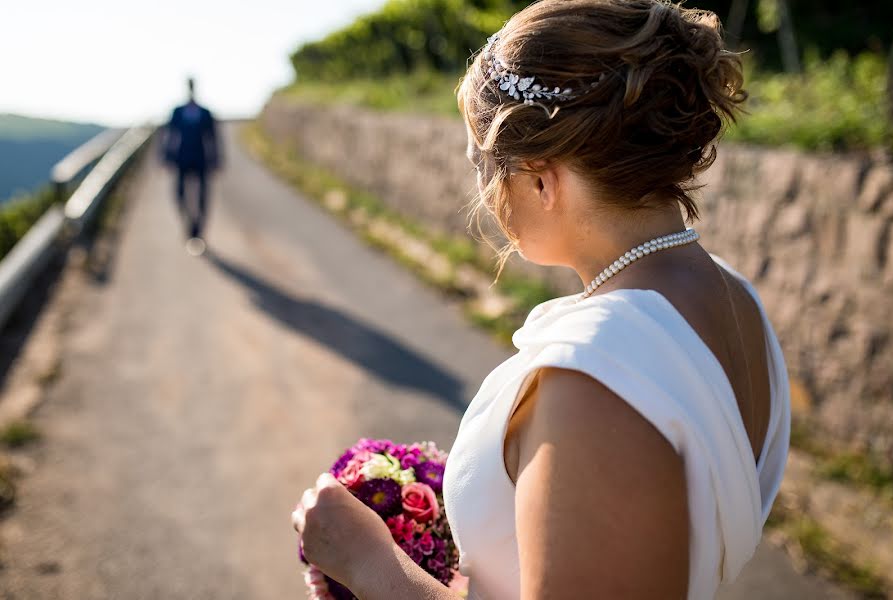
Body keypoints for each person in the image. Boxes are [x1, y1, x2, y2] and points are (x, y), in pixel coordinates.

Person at [292, 1, 791, 598]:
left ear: (539, 179)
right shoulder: (736, 299)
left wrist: (370, 561)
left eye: (483, 161)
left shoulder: (597, 374)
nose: (483, 187)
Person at [162, 77, 221, 255]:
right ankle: (189, 226)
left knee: (203, 197)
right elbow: (170, 135)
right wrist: (166, 156)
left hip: (201, 160)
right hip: (181, 159)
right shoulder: (177, 112)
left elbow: (213, 138)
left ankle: (198, 232)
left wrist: (216, 159)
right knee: (179, 196)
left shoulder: (205, 112)